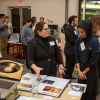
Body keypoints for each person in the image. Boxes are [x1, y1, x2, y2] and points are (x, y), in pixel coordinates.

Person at [75, 20, 99, 100]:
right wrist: (79, 71)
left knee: (90, 93)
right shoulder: (79, 40)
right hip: (81, 69)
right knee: (81, 93)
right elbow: (77, 56)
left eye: (82, 31)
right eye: (79, 32)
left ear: (88, 29)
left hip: (91, 70)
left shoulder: (94, 41)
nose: (81, 34)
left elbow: (94, 60)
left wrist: (84, 72)